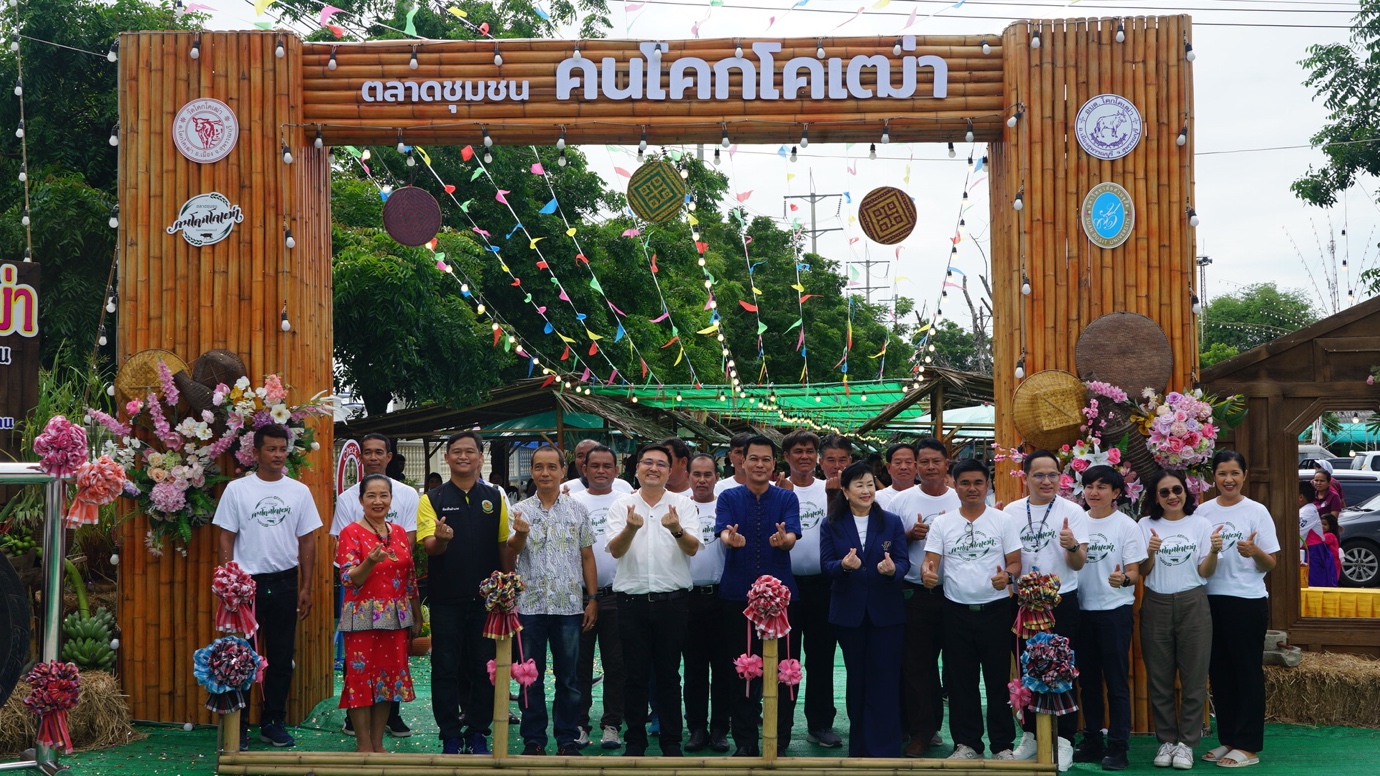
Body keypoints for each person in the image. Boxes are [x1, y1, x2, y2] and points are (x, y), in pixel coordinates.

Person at [213, 424, 321, 748]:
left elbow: (308, 540)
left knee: (281, 656)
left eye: (282, 449)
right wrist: (229, 581)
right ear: (256, 452)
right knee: (241, 657)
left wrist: (307, 587)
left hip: (286, 583)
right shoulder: (237, 490)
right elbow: (225, 537)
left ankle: (273, 721)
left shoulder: (299, 492)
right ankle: (239, 726)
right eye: (271, 449)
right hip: (246, 587)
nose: (277, 455)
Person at [418, 430, 514, 756]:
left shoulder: (495, 498)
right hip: (446, 601)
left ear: (480, 457)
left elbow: (503, 545)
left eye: (469, 451)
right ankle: (450, 735)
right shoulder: (431, 499)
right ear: (446, 458)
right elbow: (431, 547)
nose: (463, 456)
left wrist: (507, 588)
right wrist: (442, 538)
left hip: (487, 602)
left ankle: (477, 733)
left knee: (483, 668)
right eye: (456, 451)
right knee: (444, 667)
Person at [921, 459, 1021, 761]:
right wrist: (928, 575)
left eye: (978, 482)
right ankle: (967, 745)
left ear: (987, 485)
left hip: (998, 610)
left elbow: (1015, 562)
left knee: (998, 681)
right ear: (955, 484)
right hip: (955, 612)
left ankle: (1003, 745)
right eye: (965, 482)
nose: (972, 488)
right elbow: (930, 563)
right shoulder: (942, 523)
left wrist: (1008, 576)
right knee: (960, 682)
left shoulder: (1002, 520)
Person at [606, 443, 701, 756]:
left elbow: (691, 548)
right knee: (633, 675)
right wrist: (631, 530)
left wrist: (676, 529)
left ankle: (671, 742)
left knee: (669, 675)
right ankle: (635, 741)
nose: (654, 468)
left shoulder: (683, 505)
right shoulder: (622, 505)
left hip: (672, 603)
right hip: (631, 603)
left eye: (662, 464)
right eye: (648, 462)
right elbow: (616, 551)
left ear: (670, 471)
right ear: (637, 469)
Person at [714, 436, 802, 757]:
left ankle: (779, 737)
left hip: (782, 600)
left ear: (773, 464)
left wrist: (785, 540)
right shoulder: (728, 496)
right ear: (742, 461)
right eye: (754, 459)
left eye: (766, 459)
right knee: (742, 669)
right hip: (738, 597)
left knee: (785, 669)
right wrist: (729, 538)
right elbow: (723, 530)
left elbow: (792, 535)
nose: (760, 465)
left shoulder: (786, 499)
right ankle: (746, 739)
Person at [509, 444, 599, 756]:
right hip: (530, 607)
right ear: (532, 472)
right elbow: (511, 554)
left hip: (569, 607)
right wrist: (519, 533)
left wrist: (592, 599)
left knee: (570, 678)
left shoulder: (578, 510)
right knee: (528, 676)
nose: (544, 473)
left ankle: (566, 739)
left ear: (563, 470)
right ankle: (533, 740)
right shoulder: (519, 511)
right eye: (538, 467)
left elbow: (587, 556)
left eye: (551, 467)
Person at [331, 433, 419, 738]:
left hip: (394, 617)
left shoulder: (398, 532)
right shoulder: (350, 532)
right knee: (359, 678)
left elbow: (409, 577)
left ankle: (379, 743)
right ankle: (363, 744)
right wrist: (369, 561)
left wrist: (416, 615)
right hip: (361, 616)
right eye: (371, 496)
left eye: (384, 496)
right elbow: (348, 577)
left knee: (388, 680)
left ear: (391, 499)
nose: (378, 501)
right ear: (361, 500)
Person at [1005, 450, 1089, 770]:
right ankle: (1030, 735)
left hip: (1060, 602)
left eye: (1052, 474)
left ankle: (1064, 740)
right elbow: (1007, 559)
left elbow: (1078, 563)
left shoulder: (1073, 511)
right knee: (1027, 668)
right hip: (1023, 603)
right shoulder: (1011, 512)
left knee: (1062, 670)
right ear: (1025, 477)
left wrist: (1070, 545)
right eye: (1038, 475)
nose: (1046, 481)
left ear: (1060, 476)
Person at [820, 460, 910, 757]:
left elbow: (903, 561)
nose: (866, 490)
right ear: (845, 491)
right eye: (858, 484)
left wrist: (892, 570)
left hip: (887, 613)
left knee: (885, 678)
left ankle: (885, 746)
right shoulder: (831, 523)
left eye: (870, 484)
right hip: (850, 614)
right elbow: (827, 565)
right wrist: (843, 567)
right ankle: (859, 747)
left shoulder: (892, 522)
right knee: (857, 679)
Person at [1197, 451, 1279, 769]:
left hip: (1246, 601)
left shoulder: (1256, 511)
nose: (1228, 479)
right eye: (1221, 473)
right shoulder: (1202, 513)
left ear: (1244, 475)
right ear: (1213, 477)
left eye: (1234, 472)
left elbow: (1271, 563)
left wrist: (1253, 550)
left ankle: (1248, 746)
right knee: (1219, 672)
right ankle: (1228, 739)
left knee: (1246, 672)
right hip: (1210, 600)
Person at [1138, 470, 1222, 770]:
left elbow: (1206, 572)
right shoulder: (1145, 524)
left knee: (1194, 678)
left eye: (1177, 489)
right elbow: (1145, 570)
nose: (1172, 496)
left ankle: (1186, 743)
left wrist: (1213, 550)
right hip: (1156, 604)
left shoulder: (1200, 523)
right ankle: (1166, 741)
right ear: (1156, 497)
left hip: (1193, 603)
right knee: (1159, 678)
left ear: (1186, 492)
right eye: (1164, 492)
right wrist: (1149, 552)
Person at [889, 437, 960, 757]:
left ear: (947, 465)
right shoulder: (902, 502)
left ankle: (965, 738)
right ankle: (921, 732)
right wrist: (908, 536)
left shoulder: (963, 499)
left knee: (958, 669)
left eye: (937, 461)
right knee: (918, 667)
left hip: (956, 595)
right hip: (915, 594)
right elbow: (883, 546)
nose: (930, 467)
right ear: (916, 466)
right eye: (924, 462)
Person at [1072, 465, 1146, 771]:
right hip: (1080, 610)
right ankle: (1092, 739)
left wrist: (1123, 581)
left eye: (1102, 487)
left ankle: (1118, 746)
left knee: (1116, 682)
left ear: (1116, 493)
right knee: (1087, 681)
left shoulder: (1126, 526)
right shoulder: (1076, 521)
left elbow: (1134, 572)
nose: (1094, 492)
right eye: (1089, 486)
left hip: (1114, 612)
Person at [775, 430, 842, 749]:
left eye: (810, 451)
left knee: (821, 657)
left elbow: (840, 532)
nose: (804, 456)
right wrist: (778, 497)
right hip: (783, 586)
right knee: (785, 659)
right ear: (786, 457)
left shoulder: (829, 488)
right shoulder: (777, 489)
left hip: (822, 584)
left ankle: (820, 723)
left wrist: (833, 498)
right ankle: (781, 726)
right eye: (798, 451)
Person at [572, 445, 627, 750]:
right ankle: (579, 723)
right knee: (579, 664)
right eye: (595, 466)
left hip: (618, 595)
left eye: (608, 466)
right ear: (585, 469)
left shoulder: (627, 500)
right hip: (580, 597)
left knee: (616, 665)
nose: (601, 471)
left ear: (616, 470)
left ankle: (611, 724)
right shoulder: (573, 502)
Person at [683, 453, 731, 753]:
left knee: (724, 668)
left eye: (708, 474)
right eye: (696, 474)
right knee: (694, 669)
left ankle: (720, 730)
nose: (702, 480)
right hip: (687, 599)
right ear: (688, 476)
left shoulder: (727, 505)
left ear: (716, 477)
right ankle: (697, 728)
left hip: (722, 598)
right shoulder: (677, 507)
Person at [565, 439, 634, 496]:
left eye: (591, 454)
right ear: (585, 469)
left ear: (616, 470)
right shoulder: (564, 490)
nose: (585, 459)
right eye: (580, 456)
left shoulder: (623, 487)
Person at [875, 443, 918, 511]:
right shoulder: (876, 498)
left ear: (916, 466)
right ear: (889, 467)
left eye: (908, 462)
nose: (903, 467)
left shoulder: (927, 495)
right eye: (898, 462)